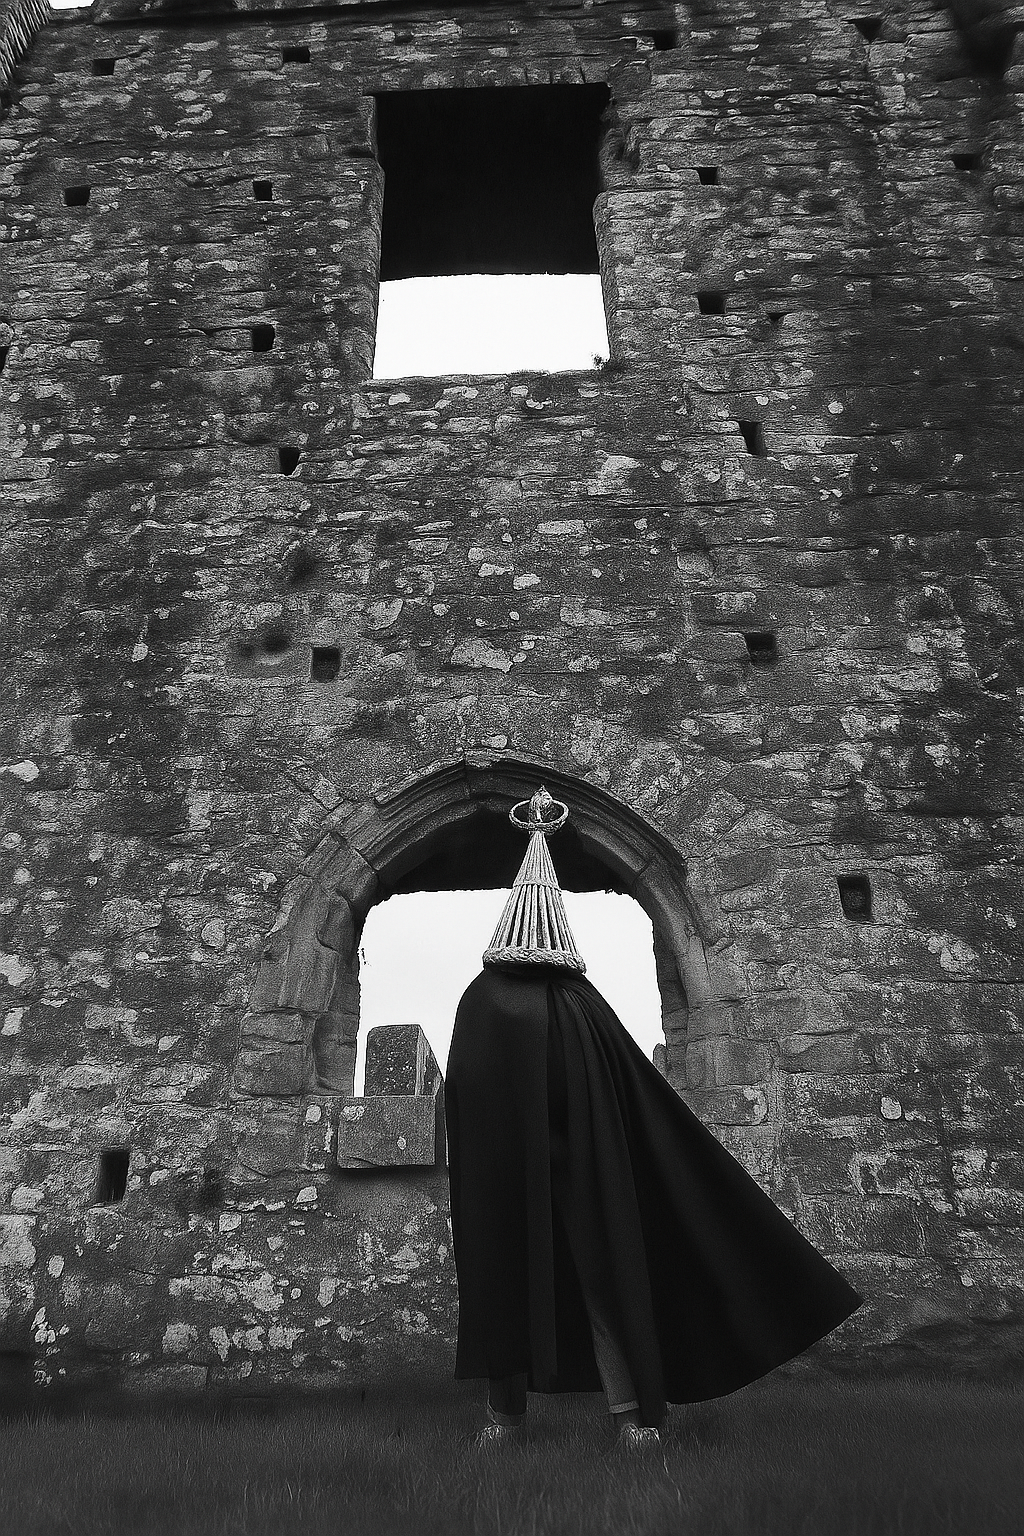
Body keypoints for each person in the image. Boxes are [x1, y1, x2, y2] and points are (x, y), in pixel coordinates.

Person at [444, 787, 863, 1451]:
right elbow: (476, 1090)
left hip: (571, 1164)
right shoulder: (547, 1002)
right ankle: (535, 1420)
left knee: (581, 1280)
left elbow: (606, 1089)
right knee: (525, 1279)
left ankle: (606, 1417)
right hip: (528, 1168)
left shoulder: (519, 1000)